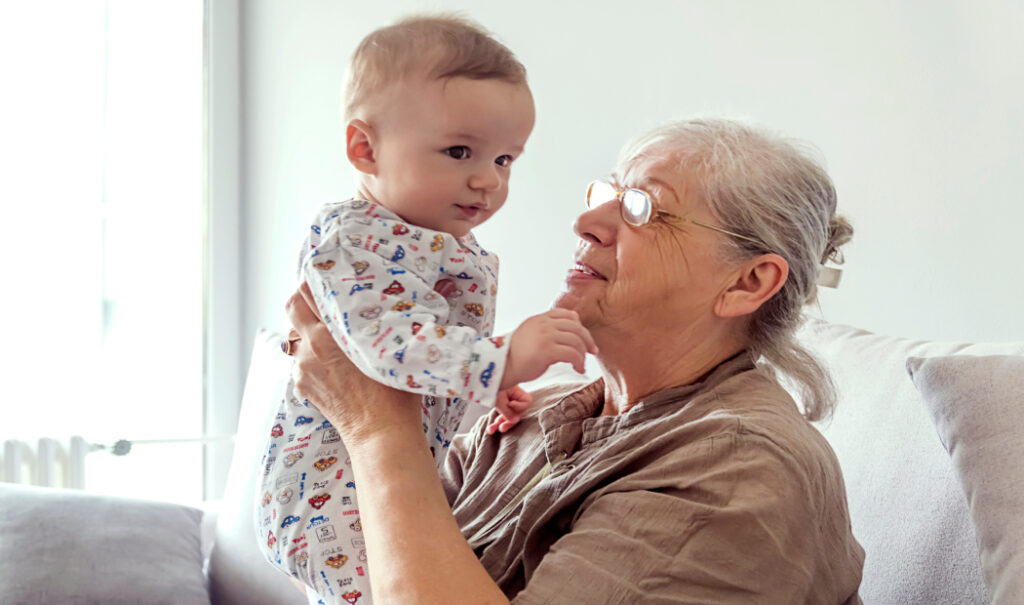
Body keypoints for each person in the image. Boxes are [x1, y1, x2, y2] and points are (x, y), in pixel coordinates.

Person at [284, 118, 866, 604]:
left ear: (747, 282)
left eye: (642, 209)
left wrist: (375, 426)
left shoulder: (734, 472)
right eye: (606, 194)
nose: (586, 224)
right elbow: (369, 563)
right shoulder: (534, 415)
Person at [256, 15, 596, 605]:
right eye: (460, 151)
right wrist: (500, 357)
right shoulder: (355, 239)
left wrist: (479, 389)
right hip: (326, 480)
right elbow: (386, 346)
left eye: (505, 160)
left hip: (375, 474)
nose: (487, 180)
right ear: (365, 149)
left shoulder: (437, 241)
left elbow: (425, 352)